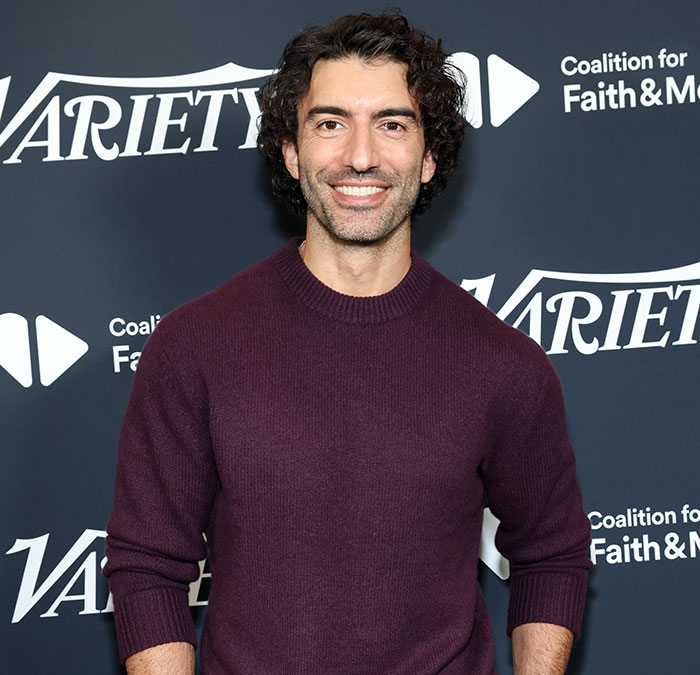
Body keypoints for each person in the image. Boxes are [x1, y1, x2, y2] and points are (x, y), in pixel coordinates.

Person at [104, 11, 591, 675]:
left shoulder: (502, 363)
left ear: (428, 157)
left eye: (391, 124)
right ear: (291, 150)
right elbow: (146, 568)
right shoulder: (195, 346)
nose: (361, 155)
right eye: (330, 123)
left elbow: (552, 553)